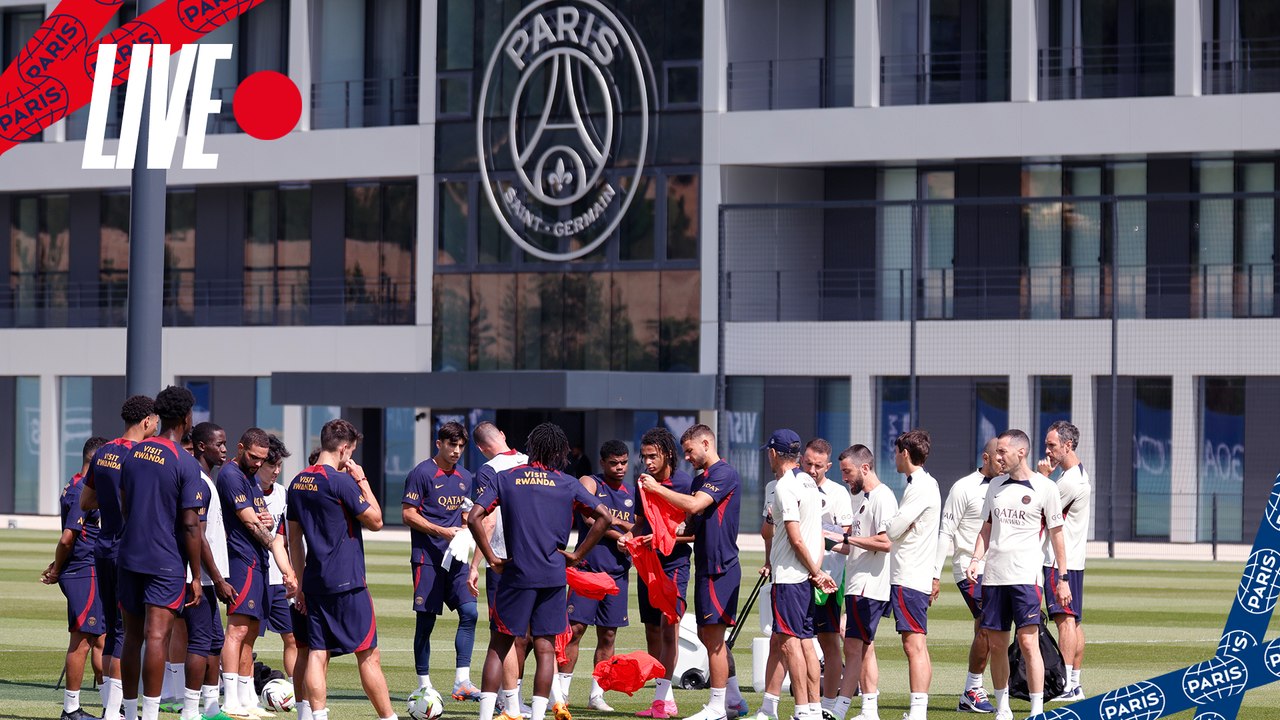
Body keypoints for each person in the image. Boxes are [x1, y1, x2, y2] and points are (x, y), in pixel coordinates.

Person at [469, 422, 613, 720]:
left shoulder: (505, 477)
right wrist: (576, 555)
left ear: (531, 447)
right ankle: (537, 716)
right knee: (546, 649)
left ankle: (484, 717)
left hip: (516, 573)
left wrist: (492, 557)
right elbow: (604, 517)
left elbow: (474, 517)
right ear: (560, 451)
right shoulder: (568, 483)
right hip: (552, 575)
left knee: (499, 645)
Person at [286, 418, 397, 720]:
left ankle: (317, 716)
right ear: (345, 449)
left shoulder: (297, 481)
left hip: (315, 581)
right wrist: (362, 479)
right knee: (368, 655)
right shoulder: (341, 481)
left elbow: (294, 540)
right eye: (352, 451)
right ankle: (389, 717)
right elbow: (375, 521)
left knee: (317, 652)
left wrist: (299, 582)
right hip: (348, 581)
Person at [638, 424, 742, 720]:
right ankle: (733, 701)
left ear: (706, 443)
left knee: (713, 638)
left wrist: (657, 489)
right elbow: (689, 527)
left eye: (690, 451)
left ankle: (717, 707)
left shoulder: (724, 473)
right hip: (706, 565)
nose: (687, 457)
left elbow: (696, 506)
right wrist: (659, 534)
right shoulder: (700, 480)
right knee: (706, 634)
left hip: (721, 566)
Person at [967, 429, 1070, 720]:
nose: (997, 457)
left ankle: (1037, 709)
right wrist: (976, 559)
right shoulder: (995, 486)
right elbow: (986, 529)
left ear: (1020, 452)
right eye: (996, 452)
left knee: (1028, 642)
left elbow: (1057, 534)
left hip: (1026, 578)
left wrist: (1063, 578)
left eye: (1002, 452)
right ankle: (1003, 708)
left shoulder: (1045, 488)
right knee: (997, 644)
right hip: (994, 578)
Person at [116, 385, 205, 720]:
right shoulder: (185, 461)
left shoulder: (133, 454)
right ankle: (150, 715)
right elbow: (190, 524)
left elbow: (126, 504)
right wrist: (196, 576)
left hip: (129, 555)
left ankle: (127, 711)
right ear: (185, 417)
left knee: (131, 636)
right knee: (157, 636)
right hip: (164, 560)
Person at [80, 395, 157, 720]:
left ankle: (113, 710)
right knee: (129, 633)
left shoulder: (104, 452)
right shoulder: (139, 456)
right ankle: (116, 712)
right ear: (146, 422)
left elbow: (86, 501)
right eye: (155, 421)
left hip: (104, 546)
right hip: (130, 551)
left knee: (113, 631)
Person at [218, 427, 297, 719]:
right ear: (241, 448)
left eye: (262, 459)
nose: (257, 463)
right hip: (240, 561)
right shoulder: (230, 476)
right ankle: (229, 701)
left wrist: (283, 564)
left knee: (250, 633)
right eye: (253, 457)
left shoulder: (250, 479)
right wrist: (270, 536)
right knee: (237, 630)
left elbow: (262, 518)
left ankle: (247, 698)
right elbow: (251, 523)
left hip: (258, 561)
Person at [760, 430, 836, 720]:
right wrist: (815, 572)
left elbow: (796, 538)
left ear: (773, 453)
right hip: (803, 576)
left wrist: (815, 572)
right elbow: (814, 534)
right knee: (803, 642)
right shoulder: (810, 482)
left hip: (790, 577)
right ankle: (812, 708)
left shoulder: (784, 486)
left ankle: (804, 711)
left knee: (791, 644)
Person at [402, 421, 481, 701]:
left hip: (456, 559)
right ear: (439, 444)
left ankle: (462, 681)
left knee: (470, 613)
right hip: (428, 559)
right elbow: (408, 514)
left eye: (461, 446)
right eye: (452, 445)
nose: (457, 451)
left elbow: (463, 511)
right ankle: (424, 684)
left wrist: (464, 532)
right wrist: (443, 531)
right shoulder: (421, 473)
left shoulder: (465, 476)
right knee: (426, 622)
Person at [622, 427, 694, 720]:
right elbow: (640, 523)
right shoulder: (642, 483)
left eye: (653, 456)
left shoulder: (686, 483)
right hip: (648, 565)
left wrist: (665, 538)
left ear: (667, 455)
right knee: (652, 628)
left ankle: (662, 701)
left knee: (669, 628)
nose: (648, 462)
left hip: (675, 564)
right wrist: (628, 537)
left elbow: (693, 531)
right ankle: (665, 698)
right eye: (645, 456)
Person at [559, 440, 636, 711]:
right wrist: (620, 529)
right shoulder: (590, 482)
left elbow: (638, 525)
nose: (619, 468)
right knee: (575, 631)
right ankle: (562, 693)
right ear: (602, 463)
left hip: (617, 574)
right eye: (613, 463)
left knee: (609, 636)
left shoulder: (632, 490)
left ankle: (596, 696)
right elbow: (590, 517)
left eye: (623, 462)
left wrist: (624, 527)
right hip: (588, 571)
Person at [827, 445, 897, 720]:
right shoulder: (864, 498)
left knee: (855, 646)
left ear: (864, 468)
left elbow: (885, 542)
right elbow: (855, 546)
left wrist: (845, 539)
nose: (844, 477)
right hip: (858, 582)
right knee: (863, 647)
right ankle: (868, 710)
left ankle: (840, 708)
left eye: (847, 471)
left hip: (870, 584)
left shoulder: (882, 497)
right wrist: (825, 540)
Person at [471, 421, 533, 719]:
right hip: (536, 557)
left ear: (481, 449)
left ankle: (510, 703)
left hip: (504, 560)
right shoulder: (531, 461)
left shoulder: (488, 470)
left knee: (504, 634)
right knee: (541, 635)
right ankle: (551, 700)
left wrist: (476, 563)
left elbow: (488, 518)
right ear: (505, 436)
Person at [44, 436, 109, 720]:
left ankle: (112, 707)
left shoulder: (76, 483)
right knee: (85, 640)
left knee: (101, 639)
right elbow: (68, 537)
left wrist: (58, 564)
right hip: (85, 570)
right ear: (96, 460)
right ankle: (71, 709)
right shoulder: (82, 488)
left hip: (87, 568)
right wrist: (57, 568)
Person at [934, 438, 1001, 714]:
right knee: (988, 626)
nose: (1004, 461)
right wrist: (934, 575)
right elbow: (945, 532)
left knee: (985, 628)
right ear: (986, 457)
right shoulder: (962, 488)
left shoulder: (1007, 485)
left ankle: (978, 687)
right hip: (968, 568)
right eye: (1000, 456)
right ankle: (972, 689)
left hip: (1000, 569)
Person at [882, 430, 941, 720]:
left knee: (912, 644)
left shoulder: (921, 486)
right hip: (914, 573)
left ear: (905, 452)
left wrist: (894, 524)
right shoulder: (923, 484)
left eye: (896, 452)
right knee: (918, 644)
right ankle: (919, 710)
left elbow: (892, 530)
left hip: (909, 574)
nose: (894, 457)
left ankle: (918, 713)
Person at [181, 422, 236, 720]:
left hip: (207, 578)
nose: (224, 449)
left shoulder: (206, 480)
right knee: (201, 642)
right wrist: (215, 578)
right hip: (196, 578)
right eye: (220, 444)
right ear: (202, 446)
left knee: (215, 641)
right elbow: (198, 536)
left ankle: (212, 709)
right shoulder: (199, 481)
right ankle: (190, 711)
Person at [1037, 421, 1091, 701]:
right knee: (1073, 622)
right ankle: (1075, 683)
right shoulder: (1078, 475)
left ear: (1068, 445)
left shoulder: (1068, 482)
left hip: (1058, 563)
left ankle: (1067, 686)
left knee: (1065, 621)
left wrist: (1042, 479)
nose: (1047, 450)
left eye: (1052, 445)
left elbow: (1039, 508)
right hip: (1073, 561)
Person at [802, 438, 854, 717]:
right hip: (798, 578)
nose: (812, 469)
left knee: (829, 641)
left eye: (818, 466)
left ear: (829, 466)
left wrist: (822, 538)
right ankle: (805, 703)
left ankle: (828, 705)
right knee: (794, 641)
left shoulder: (838, 494)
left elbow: (849, 542)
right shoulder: (792, 486)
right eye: (808, 463)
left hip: (829, 581)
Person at [258, 435, 301, 686]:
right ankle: (241, 693)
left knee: (292, 637)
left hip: (280, 578)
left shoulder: (284, 495)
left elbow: (285, 540)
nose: (275, 471)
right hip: (254, 576)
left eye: (279, 466)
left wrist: (291, 573)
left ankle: (296, 690)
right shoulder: (245, 490)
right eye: (270, 465)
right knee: (245, 636)